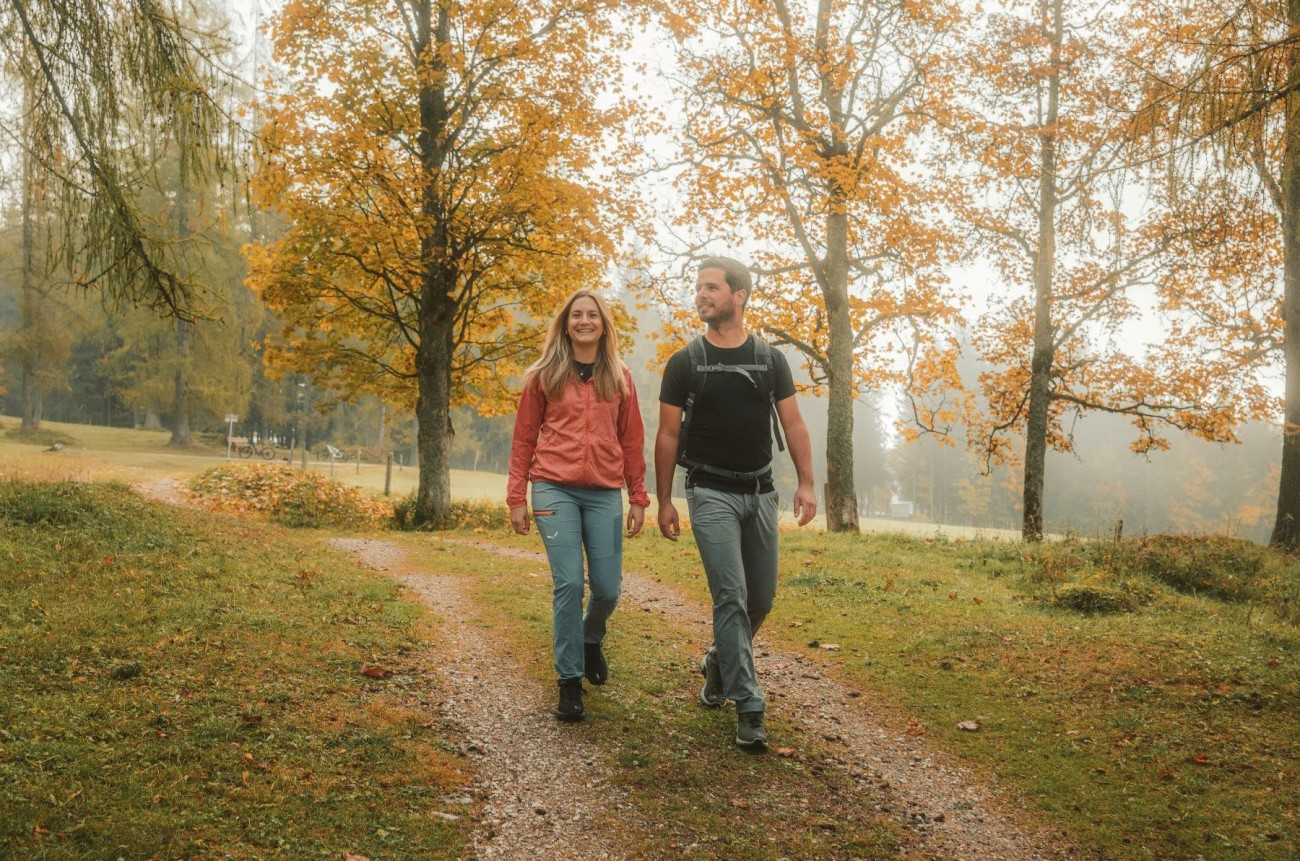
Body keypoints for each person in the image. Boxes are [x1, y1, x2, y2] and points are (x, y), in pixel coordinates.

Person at [655, 256, 816, 749]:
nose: (701, 295)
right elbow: (666, 435)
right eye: (698, 287)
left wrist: (807, 483)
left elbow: (793, 424)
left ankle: (717, 664)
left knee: (760, 599)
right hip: (708, 492)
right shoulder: (686, 361)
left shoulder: (770, 359)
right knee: (730, 595)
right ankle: (749, 705)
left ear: (739, 295)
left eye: (711, 287)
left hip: (760, 493)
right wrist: (664, 500)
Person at [508, 289, 649, 722]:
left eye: (592, 315)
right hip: (553, 488)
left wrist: (638, 496)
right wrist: (517, 495)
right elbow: (523, 438)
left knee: (607, 589)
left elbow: (632, 439)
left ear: (603, 324)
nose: (584, 321)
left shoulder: (620, 376)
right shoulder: (544, 375)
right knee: (569, 583)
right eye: (576, 315)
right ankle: (569, 682)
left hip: (605, 492)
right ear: (565, 325)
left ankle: (591, 638)